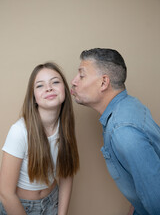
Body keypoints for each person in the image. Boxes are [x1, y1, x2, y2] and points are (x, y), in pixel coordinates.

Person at [71, 48, 160, 215]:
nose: (74, 81)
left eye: (81, 75)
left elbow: (157, 202)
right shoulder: (128, 104)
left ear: (104, 82)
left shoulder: (123, 131)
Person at [0, 62, 79, 215]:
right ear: (34, 98)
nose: (49, 88)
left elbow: (66, 174)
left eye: (55, 82)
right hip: (20, 207)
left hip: (53, 202)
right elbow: (6, 194)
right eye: (40, 86)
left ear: (65, 90)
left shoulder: (65, 126)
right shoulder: (19, 131)